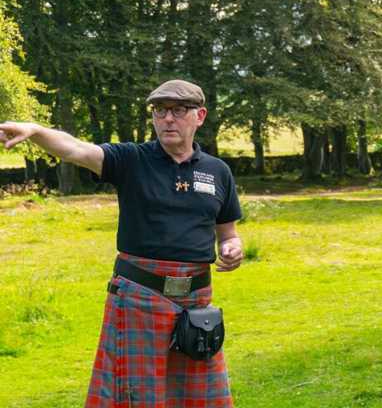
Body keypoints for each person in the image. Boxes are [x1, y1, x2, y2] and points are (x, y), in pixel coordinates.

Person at [0, 79, 243, 407]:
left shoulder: (217, 172)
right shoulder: (132, 160)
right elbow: (77, 149)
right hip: (139, 298)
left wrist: (232, 248)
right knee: (135, 397)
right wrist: (36, 130)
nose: (167, 118)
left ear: (199, 116)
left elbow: (227, 233)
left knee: (197, 400)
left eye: (178, 111)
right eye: (160, 111)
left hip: (196, 305)